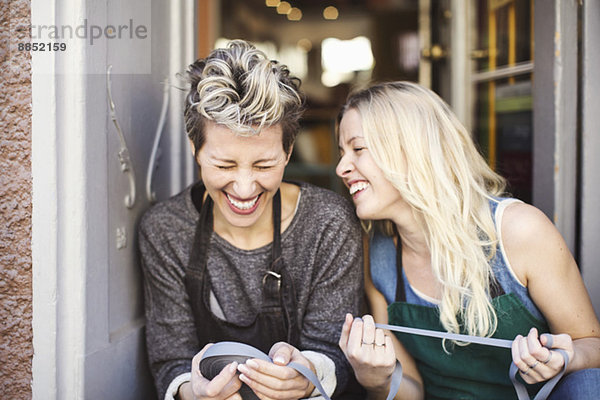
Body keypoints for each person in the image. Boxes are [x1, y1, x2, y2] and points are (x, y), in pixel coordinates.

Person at [335, 81, 600, 399]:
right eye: (342, 152)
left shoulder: (519, 232)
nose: (341, 167)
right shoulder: (377, 257)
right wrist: (377, 379)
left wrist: (563, 358)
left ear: (413, 149)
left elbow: (592, 345)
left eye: (358, 149)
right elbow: (412, 391)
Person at [138, 40, 363, 400]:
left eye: (264, 165)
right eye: (225, 165)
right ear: (196, 150)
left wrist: (306, 376)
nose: (244, 188)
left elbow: (335, 353)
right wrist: (197, 393)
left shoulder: (328, 223)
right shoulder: (165, 230)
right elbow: (171, 364)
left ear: (288, 152)